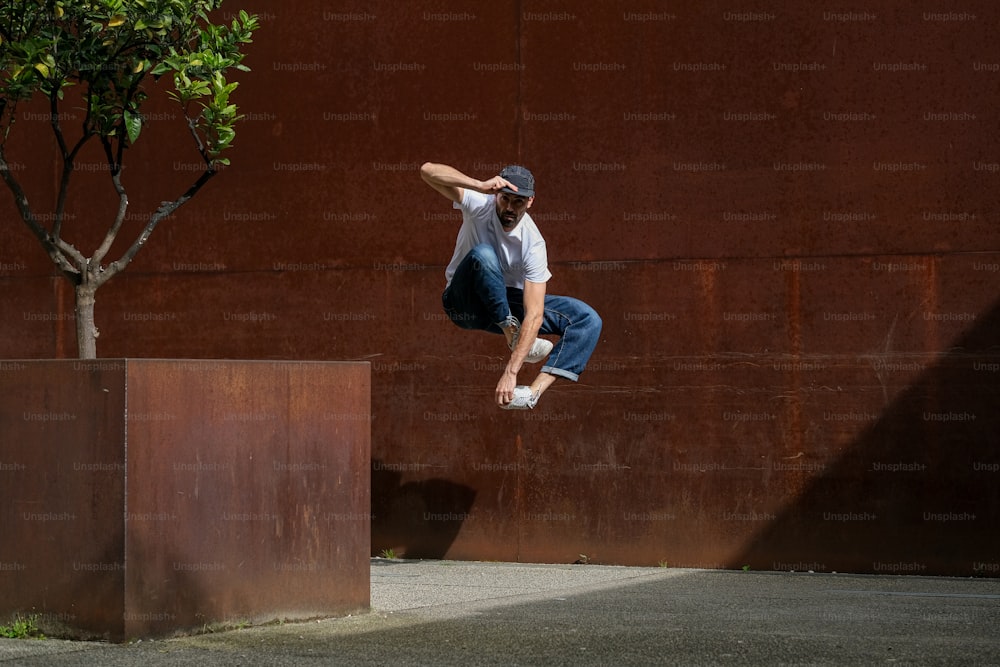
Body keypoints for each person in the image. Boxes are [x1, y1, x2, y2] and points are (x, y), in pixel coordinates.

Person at [420, 162, 602, 410]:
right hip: (464, 302)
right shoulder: (479, 205)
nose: (509, 208)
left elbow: (535, 313)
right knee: (484, 255)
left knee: (587, 319)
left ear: (530, 202)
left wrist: (511, 371)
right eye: (505, 199)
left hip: (505, 303)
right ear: (497, 195)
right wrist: (479, 185)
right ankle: (512, 335)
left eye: (518, 202)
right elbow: (427, 171)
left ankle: (533, 393)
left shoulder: (534, 244)